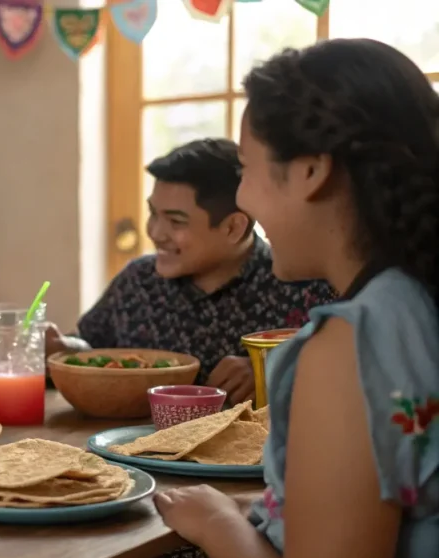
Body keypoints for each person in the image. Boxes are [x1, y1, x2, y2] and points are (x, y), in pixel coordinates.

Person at [153, 39, 439, 558]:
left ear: (311, 170)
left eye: (244, 168)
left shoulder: (352, 343)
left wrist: (216, 521)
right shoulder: (416, 300)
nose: (241, 199)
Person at [47, 138, 335, 404]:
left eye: (175, 222)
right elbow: (93, 352)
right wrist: (63, 348)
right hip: (125, 452)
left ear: (233, 228)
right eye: (152, 213)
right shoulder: (138, 281)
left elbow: (353, 373)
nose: (155, 233)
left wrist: (271, 369)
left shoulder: (305, 285)